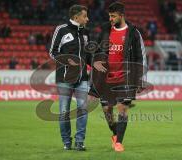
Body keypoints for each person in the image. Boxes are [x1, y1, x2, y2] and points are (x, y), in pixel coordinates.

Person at [92, 2, 147, 152]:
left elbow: (140, 56)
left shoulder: (133, 32)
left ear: (121, 15)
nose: (110, 18)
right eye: (109, 16)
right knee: (107, 110)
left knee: (122, 109)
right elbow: (95, 51)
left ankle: (119, 143)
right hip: (106, 78)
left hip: (125, 77)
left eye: (113, 16)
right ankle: (115, 134)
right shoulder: (105, 31)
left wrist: (140, 78)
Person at [49, 4, 90, 151]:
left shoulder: (85, 33)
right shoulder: (61, 29)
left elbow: (88, 54)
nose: (87, 19)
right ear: (76, 17)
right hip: (65, 78)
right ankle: (67, 142)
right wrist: (68, 61)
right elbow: (52, 52)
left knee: (83, 109)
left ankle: (80, 141)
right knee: (64, 112)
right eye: (85, 16)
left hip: (82, 78)